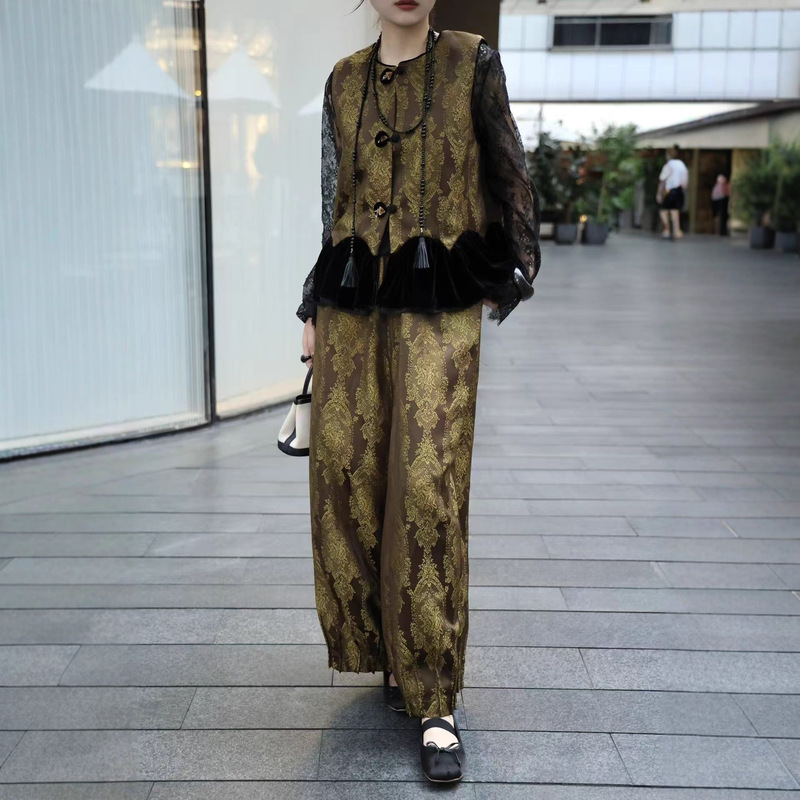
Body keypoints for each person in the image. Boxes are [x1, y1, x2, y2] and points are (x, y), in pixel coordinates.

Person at [295, 0, 540, 784]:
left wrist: (511, 271)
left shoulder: (474, 62)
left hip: (440, 308)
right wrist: (313, 306)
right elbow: (334, 202)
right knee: (349, 478)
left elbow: (509, 171)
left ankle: (436, 698)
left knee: (429, 486)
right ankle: (390, 650)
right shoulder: (342, 81)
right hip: (352, 311)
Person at [657, 146, 689, 240]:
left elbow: (662, 179)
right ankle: (677, 230)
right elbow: (685, 180)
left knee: (663, 210)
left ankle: (667, 229)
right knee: (675, 210)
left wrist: (659, 193)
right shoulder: (682, 164)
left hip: (670, 190)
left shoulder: (668, 165)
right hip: (679, 190)